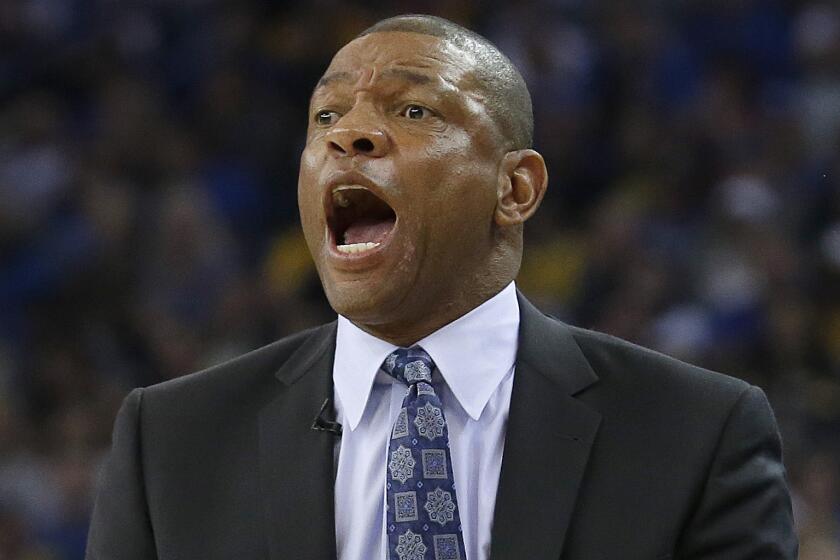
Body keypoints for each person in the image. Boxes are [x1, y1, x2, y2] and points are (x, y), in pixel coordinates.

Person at [86, 14, 797, 560]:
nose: (349, 135)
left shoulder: (696, 433)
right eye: (326, 117)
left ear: (515, 188)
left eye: (413, 111)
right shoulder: (172, 442)